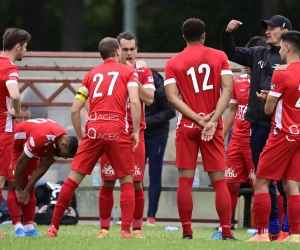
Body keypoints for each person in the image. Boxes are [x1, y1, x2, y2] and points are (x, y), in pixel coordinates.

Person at [46, 37, 141, 238]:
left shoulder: (91, 75)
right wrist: (136, 132)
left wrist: (81, 138)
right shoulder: (129, 71)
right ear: (117, 52)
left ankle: (53, 227)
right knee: (126, 181)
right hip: (116, 127)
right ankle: (125, 231)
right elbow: (134, 101)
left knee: (72, 180)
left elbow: (74, 110)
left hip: (94, 129)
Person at [221, 15, 292, 241]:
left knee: (286, 180)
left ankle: (288, 228)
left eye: (272, 28)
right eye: (267, 28)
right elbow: (230, 53)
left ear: (284, 31)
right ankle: (271, 229)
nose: (268, 31)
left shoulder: (292, 59)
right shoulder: (258, 53)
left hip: (281, 125)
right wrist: (227, 34)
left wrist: (271, 98)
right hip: (258, 124)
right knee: (263, 177)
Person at [164, 18, 235, 240]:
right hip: (213, 125)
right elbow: (227, 91)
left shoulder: (173, 63)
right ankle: (225, 231)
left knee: (185, 179)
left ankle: (187, 232)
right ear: (204, 35)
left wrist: (198, 119)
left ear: (184, 36)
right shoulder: (220, 56)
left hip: (187, 125)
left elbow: (172, 98)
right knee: (219, 180)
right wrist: (212, 119)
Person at [98, 32, 155, 238]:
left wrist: (133, 77)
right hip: (112, 132)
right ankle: (104, 228)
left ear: (137, 50)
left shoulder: (143, 70)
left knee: (137, 181)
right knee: (108, 181)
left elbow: (149, 99)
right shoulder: (108, 71)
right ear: (117, 50)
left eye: (133, 49)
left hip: (134, 133)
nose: (129, 53)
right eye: (125, 49)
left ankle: (136, 228)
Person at [211, 36, 268, 240]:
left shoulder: (268, 81)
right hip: (237, 139)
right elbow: (232, 110)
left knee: (259, 184)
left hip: (257, 137)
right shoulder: (238, 82)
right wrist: (221, 136)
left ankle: (263, 228)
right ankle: (225, 227)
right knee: (230, 183)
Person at [248, 30, 300, 243]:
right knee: (291, 183)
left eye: (280, 48)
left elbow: (269, 109)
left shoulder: (282, 72)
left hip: (282, 133)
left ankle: (261, 234)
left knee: (261, 181)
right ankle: (296, 235)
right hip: (298, 134)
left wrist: (269, 98)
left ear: (287, 47)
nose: (279, 51)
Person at [6, 118, 78, 237]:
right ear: (63, 145)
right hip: (15, 147)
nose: (64, 158)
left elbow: (44, 165)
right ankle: (18, 228)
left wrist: (27, 188)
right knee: (14, 185)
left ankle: (29, 228)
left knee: (32, 187)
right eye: (65, 156)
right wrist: (19, 188)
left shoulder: (63, 141)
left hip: (33, 151)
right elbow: (21, 162)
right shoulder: (41, 137)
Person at [136, 60, 176, 226]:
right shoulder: (127, 78)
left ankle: (151, 215)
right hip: (137, 134)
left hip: (156, 134)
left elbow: (169, 111)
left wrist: (144, 121)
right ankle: (133, 213)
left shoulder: (157, 82)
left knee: (154, 173)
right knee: (134, 173)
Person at [0, 28, 31, 238]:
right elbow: (15, 94)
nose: (25, 52)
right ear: (17, 46)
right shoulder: (10, 68)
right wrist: (17, 112)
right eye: (25, 47)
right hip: (3, 128)